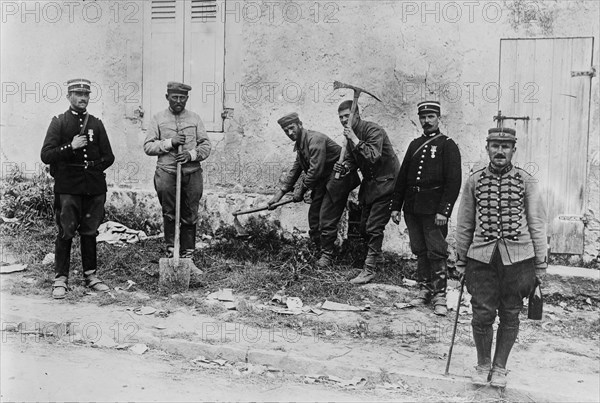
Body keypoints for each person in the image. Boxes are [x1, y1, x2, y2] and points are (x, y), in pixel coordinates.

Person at [455, 127, 547, 388]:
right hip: (481, 258)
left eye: (505, 146)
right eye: (495, 145)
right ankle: (482, 364)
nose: (499, 151)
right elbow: (465, 223)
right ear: (487, 148)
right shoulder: (474, 181)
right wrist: (461, 259)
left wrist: (540, 264)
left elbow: (537, 223)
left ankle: (500, 368)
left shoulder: (526, 181)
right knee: (482, 312)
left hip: (519, 259)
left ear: (513, 150)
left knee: (510, 312)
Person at [41, 78, 115, 299]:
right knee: (66, 231)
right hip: (68, 186)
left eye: (86, 94)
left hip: (93, 187)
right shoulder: (59, 122)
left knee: (90, 231)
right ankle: (60, 279)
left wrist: (92, 168)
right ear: (69, 96)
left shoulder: (96, 123)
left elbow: (109, 157)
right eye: (78, 94)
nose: (83, 98)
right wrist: (69, 147)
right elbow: (46, 155)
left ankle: (91, 275)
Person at [390, 101, 462, 316]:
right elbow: (402, 178)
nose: (426, 121)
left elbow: (453, 182)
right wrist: (396, 207)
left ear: (439, 118)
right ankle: (424, 289)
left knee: (436, 251)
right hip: (413, 208)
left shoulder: (447, 145)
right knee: (419, 249)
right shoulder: (414, 145)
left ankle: (439, 294)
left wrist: (444, 211)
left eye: (431, 116)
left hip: (434, 210)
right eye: (423, 117)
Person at [268, 112, 360, 267]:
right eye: (286, 131)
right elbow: (296, 169)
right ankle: (318, 250)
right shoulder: (300, 144)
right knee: (314, 216)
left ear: (300, 124)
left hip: (339, 179)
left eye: (292, 128)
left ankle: (327, 255)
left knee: (326, 217)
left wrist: (301, 191)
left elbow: (314, 171)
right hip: (323, 182)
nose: (290, 133)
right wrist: (279, 195)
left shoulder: (314, 140)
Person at [333, 100, 400, 284]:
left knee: (374, 227)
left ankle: (369, 270)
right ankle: (377, 258)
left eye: (347, 116)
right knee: (363, 227)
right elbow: (353, 161)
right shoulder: (349, 137)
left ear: (357, 115)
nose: (344, 120)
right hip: (371, 186)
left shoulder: (373, 131)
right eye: (341, 117)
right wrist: (344, 166)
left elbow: (372, 156)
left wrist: (354, 139)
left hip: (388, 184)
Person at [143, 82, 211, 258]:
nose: (178, 101)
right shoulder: (158, 118)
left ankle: (188, 255)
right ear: (167, 97)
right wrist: (170, 143)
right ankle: (172, 251)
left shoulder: (195, 118)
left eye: (182, 97)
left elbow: (205, 145)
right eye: (175, 97)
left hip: (191, 173)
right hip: (166, 172)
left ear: (187, 98)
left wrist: (191, 155)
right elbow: (148, 147)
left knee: (190, 214)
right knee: (170, 213)